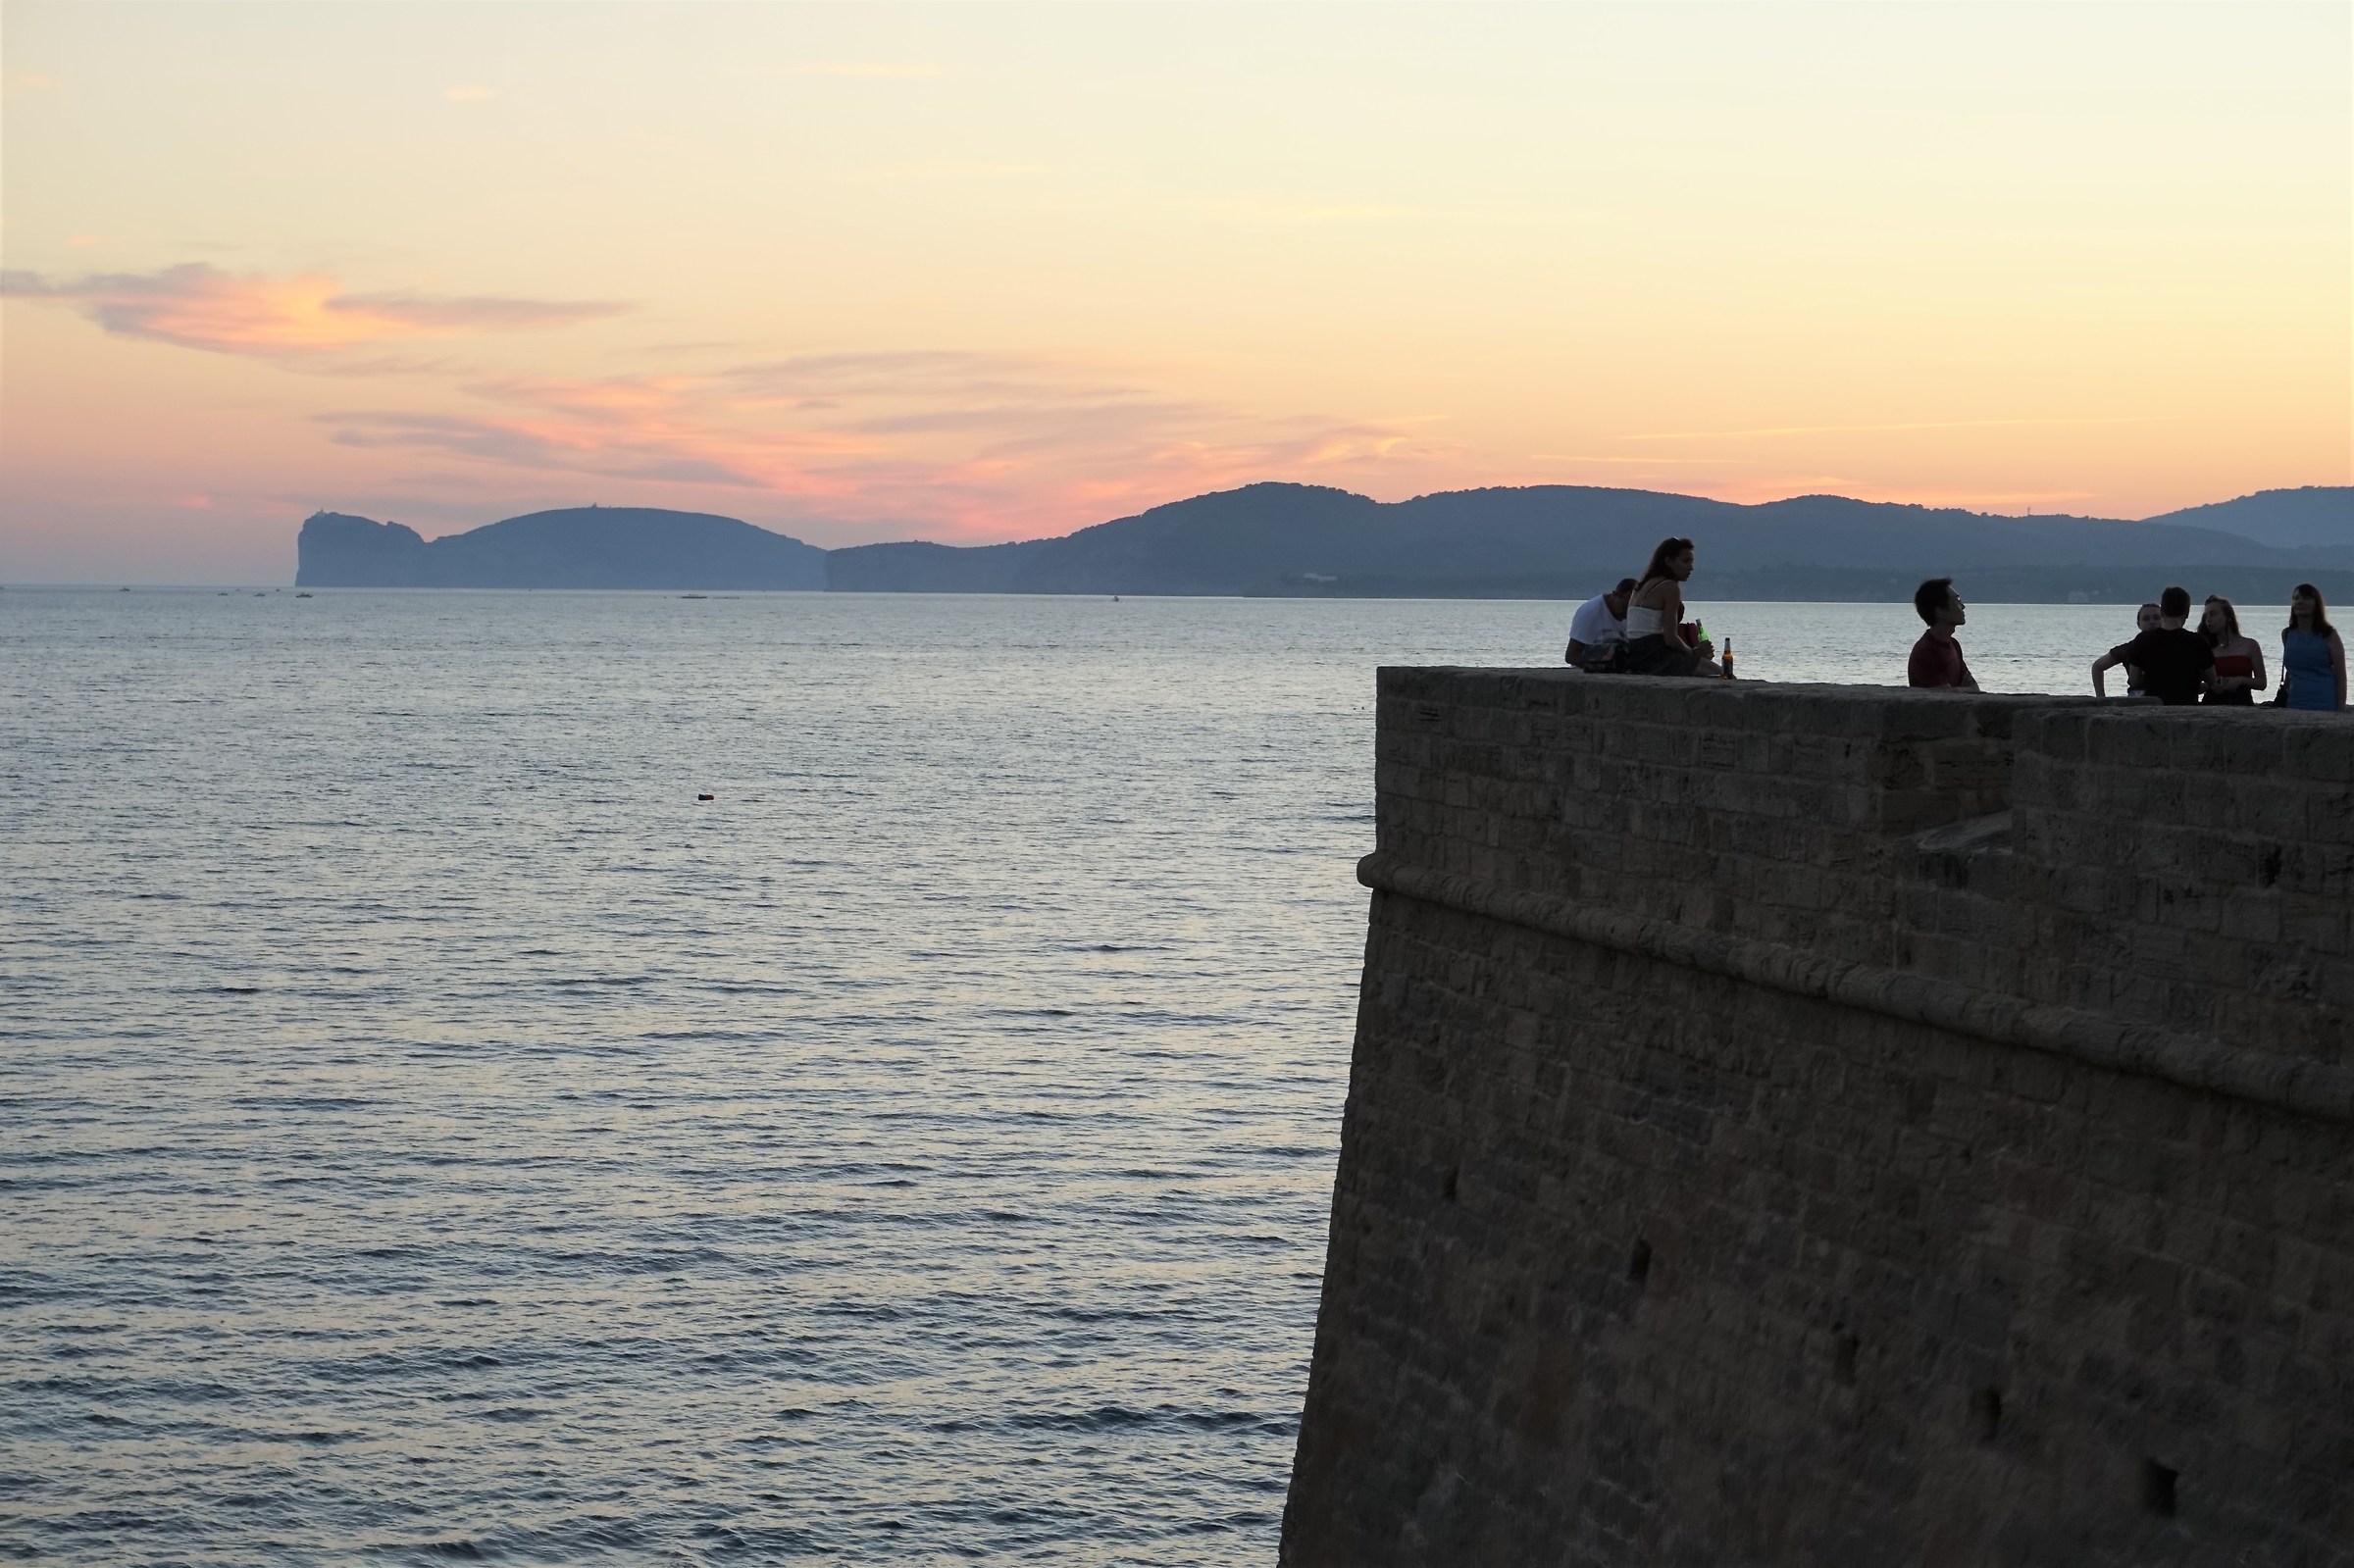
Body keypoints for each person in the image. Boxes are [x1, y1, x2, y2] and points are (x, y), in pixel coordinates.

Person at [2091, 585, 2212, 704]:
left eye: (2156, 617)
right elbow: (2098, 667)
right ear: (2139, 624)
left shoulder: (2184, 643)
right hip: (2145, 702)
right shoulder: (2129, 648)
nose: (2152, 622)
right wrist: (2101, 699)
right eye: (2146, 619)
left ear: (2163, 616)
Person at [1621, 537, 1718, 677]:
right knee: (1723, 674)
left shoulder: (1642, 585)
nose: (1691, 568)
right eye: (1685, 561)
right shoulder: (1669, 587)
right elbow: (1670, 638)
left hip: (1634, 654)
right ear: (1668, 562)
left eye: (1691, 562)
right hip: (1654, 656)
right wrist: (1693, 652)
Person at [2279, 582, 2348, 712]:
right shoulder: (2287, 634)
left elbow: (2341, 675)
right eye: (2296, 598)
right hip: (2294, 701)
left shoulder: (2329, 635)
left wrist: (2340, 708)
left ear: (2316, 604)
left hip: (2324, 701)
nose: (2300, 602)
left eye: (2306, 598)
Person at [1906, 578, 1979, 690]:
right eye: (1957, 601)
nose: (1963, 606)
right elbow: (1944, 695)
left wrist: (1959, 690)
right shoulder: (1926, 651)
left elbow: (1974, 688)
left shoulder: (1954, 644)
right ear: (1939, 611)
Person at [2199, 595, 2267, 706]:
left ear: (2228, 617)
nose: (2208, 620)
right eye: (2206, 616)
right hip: (2211, 706)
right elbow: (2195, 685)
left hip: (2243, 705)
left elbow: (2262, 683)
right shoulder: (2205, 648)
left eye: (2213, 614)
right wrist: (2211, 684)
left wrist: (2240, 680)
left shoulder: (2250, 645)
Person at [1564, 579, 1637, 668]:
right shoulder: (1590, 613)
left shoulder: (1635, 613)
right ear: (1615, 595)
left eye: (1631, 610)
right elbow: (1571, 656)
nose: (1627, 614)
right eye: (1624, 607)